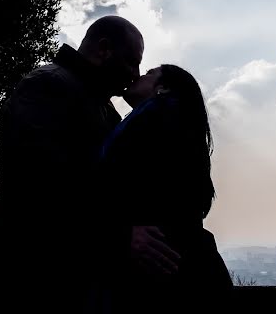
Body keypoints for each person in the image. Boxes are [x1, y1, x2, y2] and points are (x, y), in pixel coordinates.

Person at [0, 16, 180, 311]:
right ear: (104, 49)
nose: (135, 73)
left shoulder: (99, 106)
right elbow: (38, 189)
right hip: (38, 288)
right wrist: (120, 237)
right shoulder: (48, 85)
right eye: (131, 62)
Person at [99, 64, 233, 313]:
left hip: (163, 266)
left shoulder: (159, 117)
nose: (138, 75)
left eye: (149, 73)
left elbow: (122, 187)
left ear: (162, 88)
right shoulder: (164, 122)